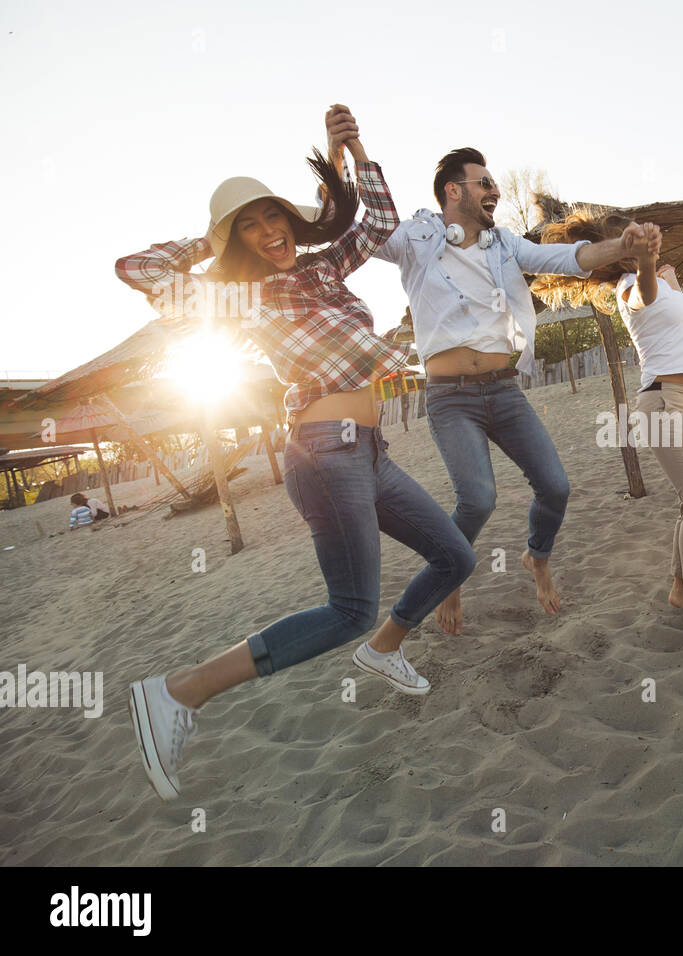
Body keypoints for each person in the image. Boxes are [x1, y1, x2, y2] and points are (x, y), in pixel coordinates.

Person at [114, 106, 476, 800]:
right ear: (234, 243)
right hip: (323, 453)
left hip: (371, 453)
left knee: (455, 554)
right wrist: (213, 239)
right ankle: (177, 693)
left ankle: (383, 652)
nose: (267, 230)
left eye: (271, 214)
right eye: (248, 226)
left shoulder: (319, 270)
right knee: (349, 607)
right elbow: (138, 268)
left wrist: (354, 148)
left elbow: (373, 223)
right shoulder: (239, 298)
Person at [371, 147, 654, 635]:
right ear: (452, 191)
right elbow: (361, 234)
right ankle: (452, 575)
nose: (494, 190)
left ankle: (536, 557)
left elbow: (568, 257)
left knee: (556, 486)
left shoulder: (504, 244)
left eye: (493, 183)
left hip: (503, 391)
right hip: (449, 397)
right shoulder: (414, 240)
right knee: (478, 500)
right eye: (483, 182)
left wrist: (623, 247)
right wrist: (344, 162)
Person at [536, 213, 683, 650]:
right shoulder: (628, 287)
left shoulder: (660, 283)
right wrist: (646, 264)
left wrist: (670, 278)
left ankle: (680, 587)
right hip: (662, 403)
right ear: (620, 248)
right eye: (633, 235)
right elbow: (645, 293)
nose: (643, 235)